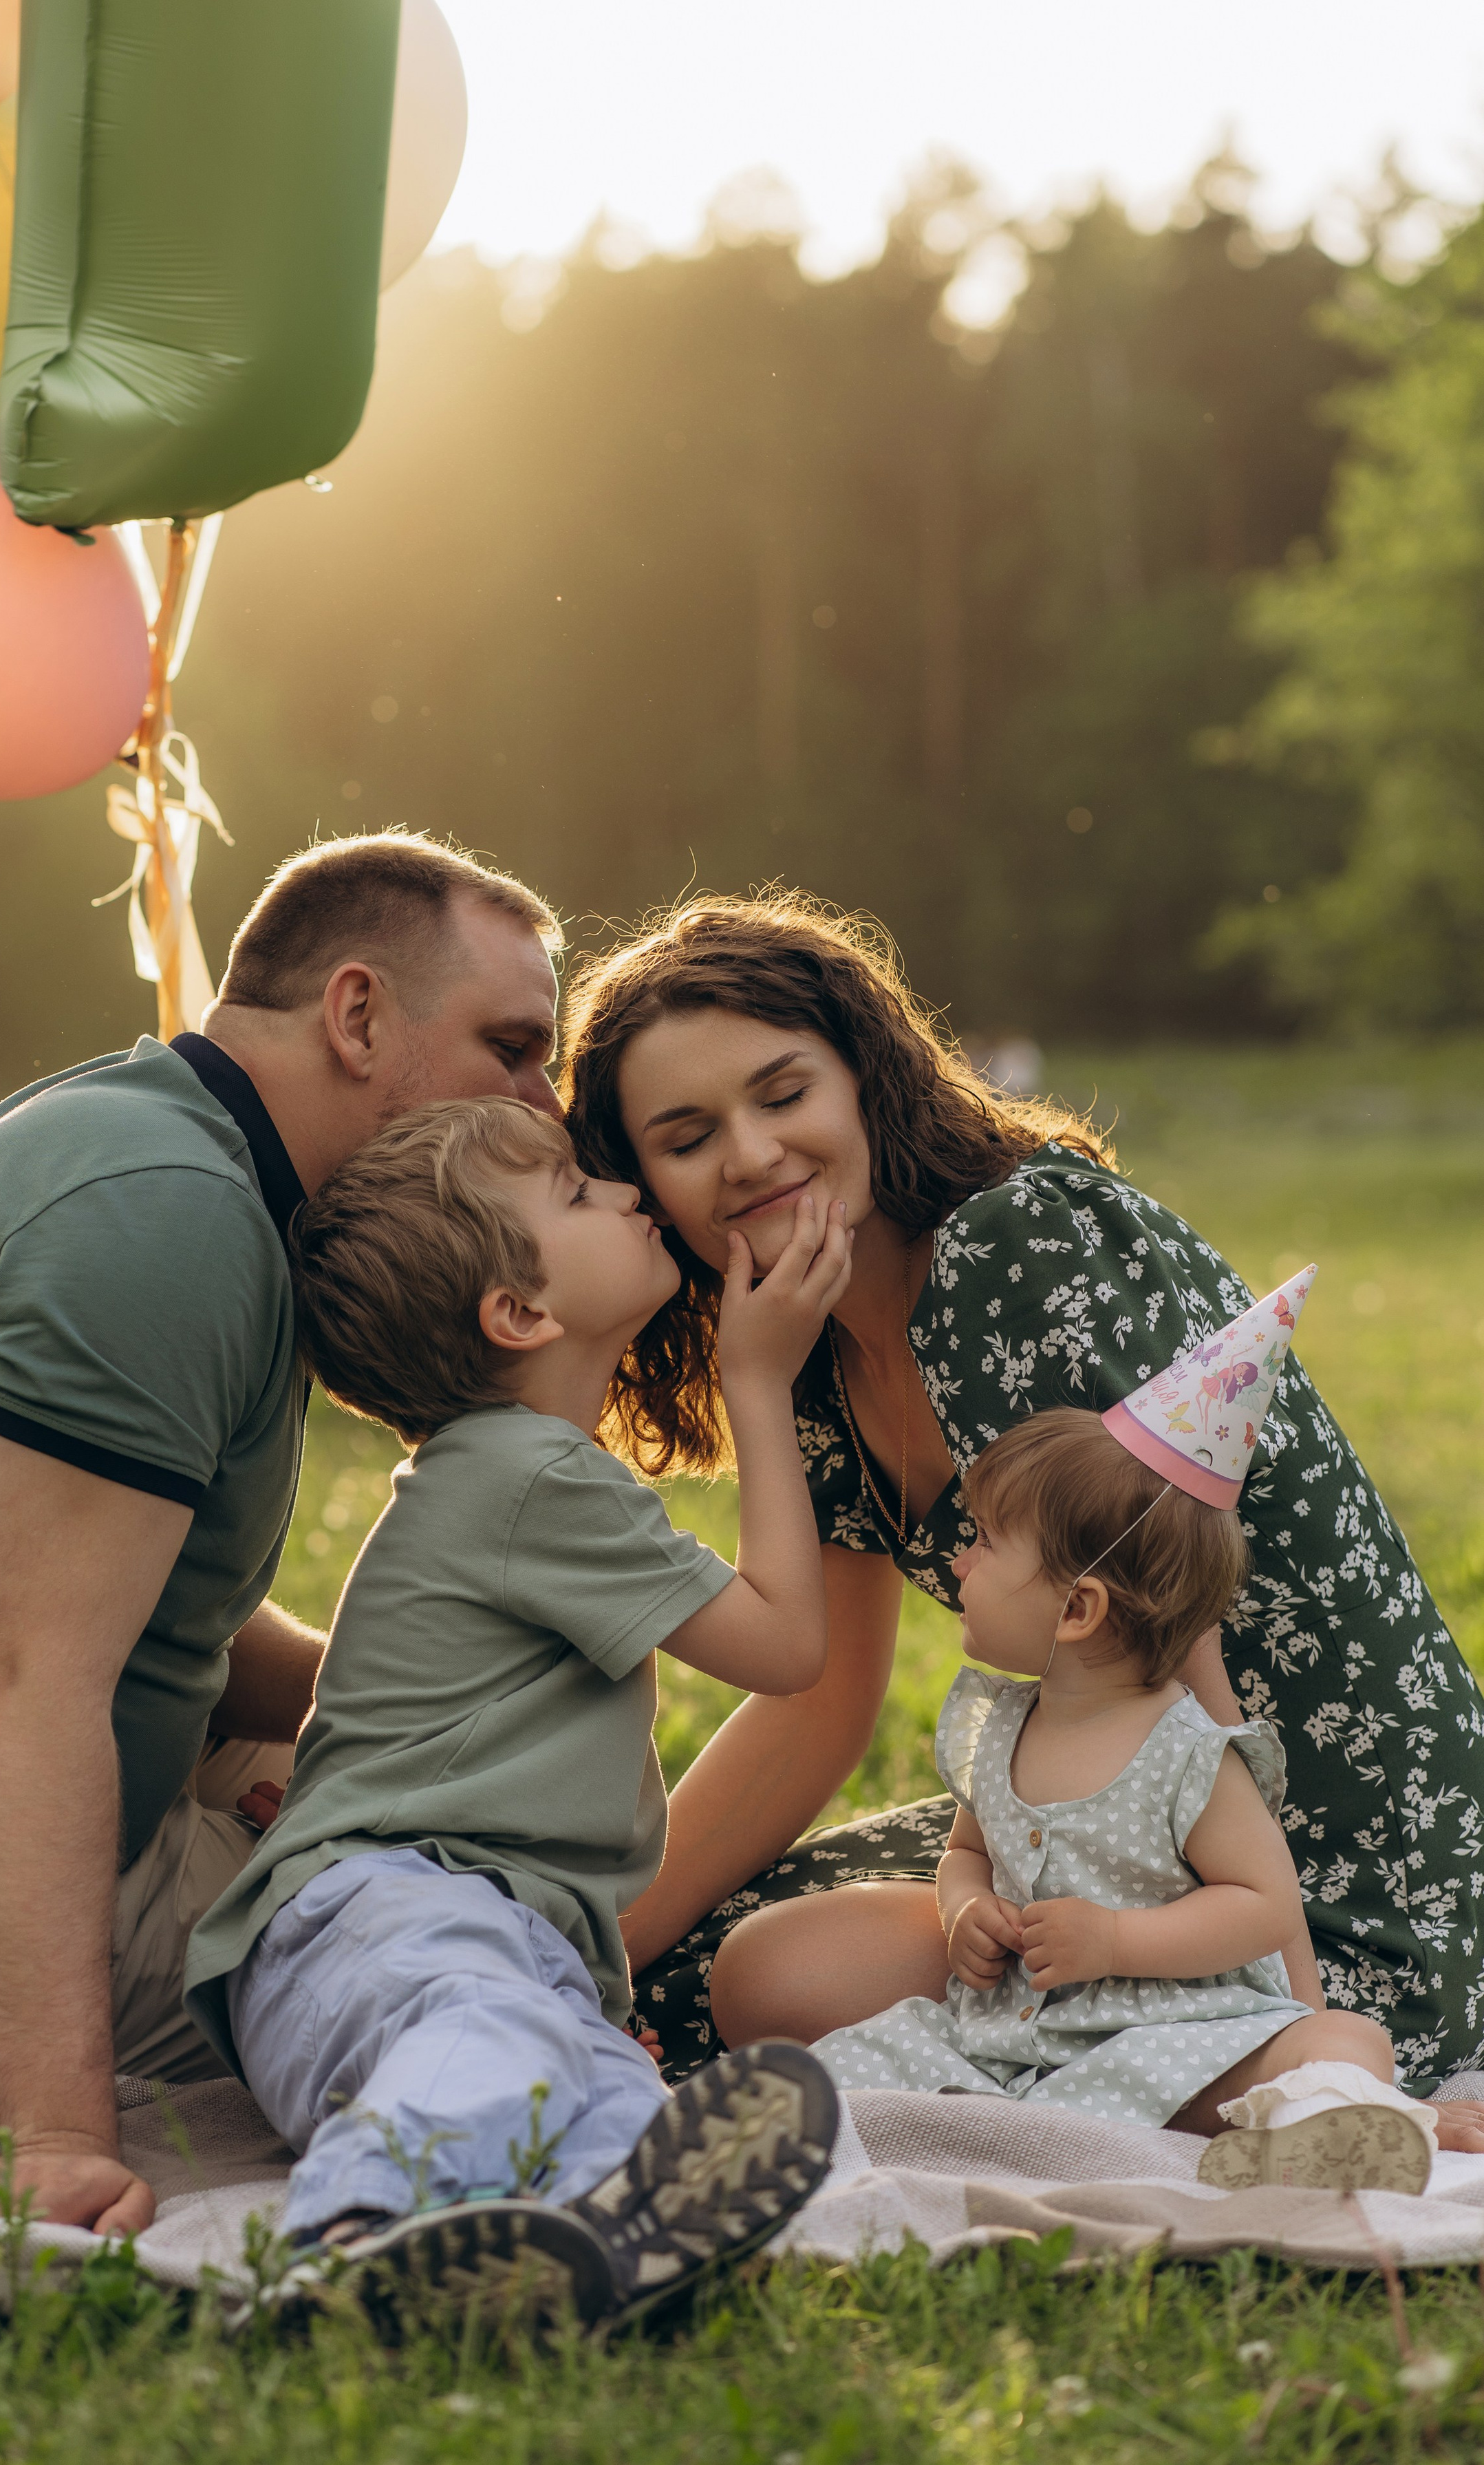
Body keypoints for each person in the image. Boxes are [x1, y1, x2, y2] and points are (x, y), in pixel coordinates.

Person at [0, 833, 571, 2237]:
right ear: (358, 1015)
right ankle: (499, 2161)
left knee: (440, 1795)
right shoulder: (164, 1219)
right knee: (482, 1905)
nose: (545, 1107)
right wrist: (59, 2136)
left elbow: (165, 1611)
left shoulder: (162, 1145)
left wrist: (433, 1705)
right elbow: (24, 1680)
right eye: (514, 1048)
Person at [560, 893, 1484, 2139]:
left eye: (784, 1095)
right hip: (1103, 1830)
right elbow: (819, 1703)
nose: (752, 1154)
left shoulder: (1018, 1248)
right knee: (701, 1974)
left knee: (763, 1996)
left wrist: (1279, 1995)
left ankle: (1320, 2081)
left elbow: (1185, 1655)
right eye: (687, 1137)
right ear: (646, 1187)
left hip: (1307, 1857)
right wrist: (588, 1951)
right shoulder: (806, 1347)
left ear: (867, 1079)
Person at [182, 1097, 845, 2327]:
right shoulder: (526, 1473)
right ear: (520, 1312)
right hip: (388, 1913)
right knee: (489, 2038)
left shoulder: (512, 1468)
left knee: (605, 2100)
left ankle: (601, 2249)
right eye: (580, 1194)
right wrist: (759, 1379)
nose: (626, 1192)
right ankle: (348, 2244)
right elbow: (788, 1646)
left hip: (476, 1946)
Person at [758, 1290, 1441, 2196]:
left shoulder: (1187, 1752)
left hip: (1180, 2036)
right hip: (1012, 2037)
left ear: (1077, 1609)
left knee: (1340, 2040)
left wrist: (1118, 1940)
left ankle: (1324, 2125)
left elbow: (1263, 1906)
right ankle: (819, 2132)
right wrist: (965, 1911)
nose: (959, 1561)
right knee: (848, 2062)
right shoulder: (1000, 1725)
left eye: (986, 1543)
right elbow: (965, 1854)